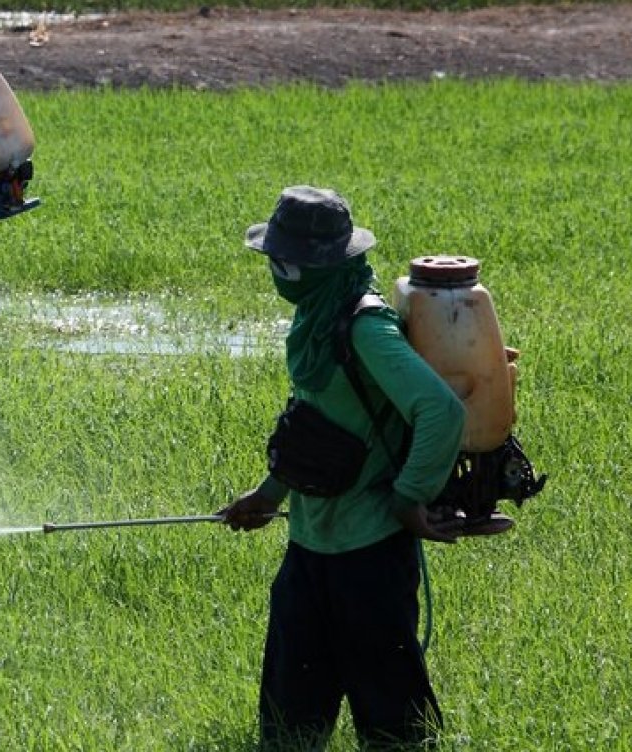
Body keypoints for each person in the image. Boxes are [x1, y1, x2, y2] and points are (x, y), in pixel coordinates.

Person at [218, 186, 466, 749]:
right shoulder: (317, 317)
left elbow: (440, 411)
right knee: (288, 724)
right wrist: (269, 493)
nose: (278, 273)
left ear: (321, 264)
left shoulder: (364, 328)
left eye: (285, 263)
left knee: (395, 728)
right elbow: (317, 423)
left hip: (370, 555)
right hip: (311, 547)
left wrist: (409, 499)